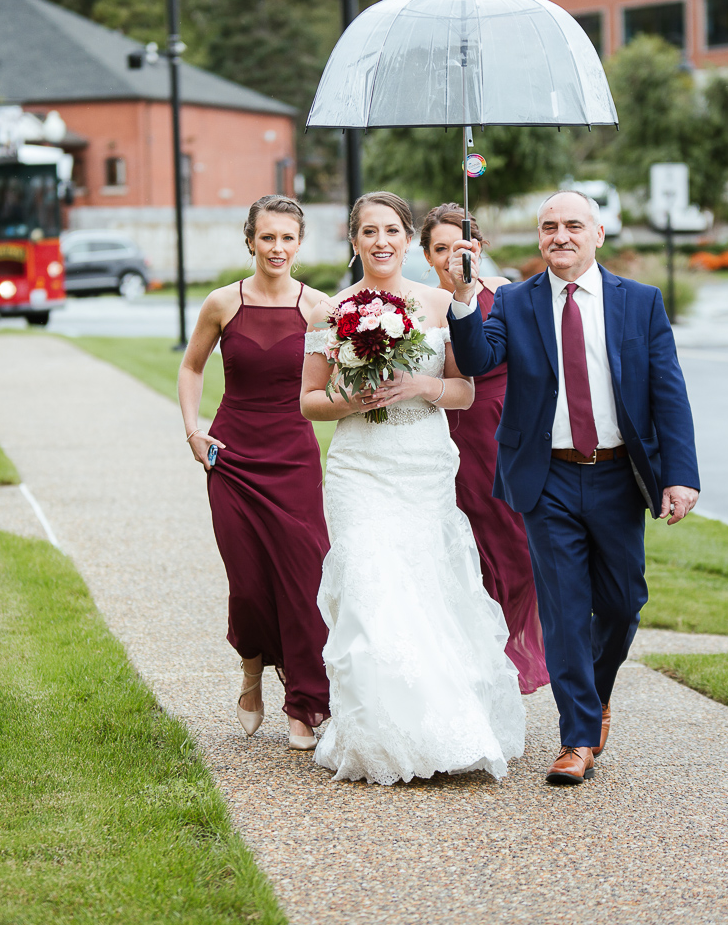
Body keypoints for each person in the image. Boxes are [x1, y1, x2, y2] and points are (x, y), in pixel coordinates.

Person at [447, 189, 700, 787]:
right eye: (549, 227)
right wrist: (463, 297)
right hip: (547, 475)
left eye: (573, 226)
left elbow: (669, 391)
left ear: (598, 234)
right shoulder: (513, 300)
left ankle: (595, 690)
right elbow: (479, 361)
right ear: (538, 238)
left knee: (620, 603)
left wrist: (681, 475)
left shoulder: (640, 303)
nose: (560, 236)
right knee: (562, 610)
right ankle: (577, 738)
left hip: (617, 475)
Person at [300, 191, 524, 785]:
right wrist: (354, 398)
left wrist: (416, 388)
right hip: (359, 467)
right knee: (370, 578)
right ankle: (376, 732)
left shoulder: (438, 303)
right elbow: (309, 401)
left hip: (422, 461)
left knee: (427, 585)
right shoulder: (330, 311)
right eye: (368, 232)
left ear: (407, 240)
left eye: (392, 231)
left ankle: (442, 723)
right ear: (353, 241)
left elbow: (465, 392)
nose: (381, 242)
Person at [178, 195, 332, 751]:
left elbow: (334, 385)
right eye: (267, 237)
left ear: (300, 243)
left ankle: (302, 701)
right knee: (247, 584)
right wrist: (194, 429)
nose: (277, 248)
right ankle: (251, 669)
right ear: (250, 241)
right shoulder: (222, 303)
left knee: (302, 578)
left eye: (287, 238)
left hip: (293, 455)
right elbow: (192, 365)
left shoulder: (319, 308)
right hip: (233, 454)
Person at [422, 204, 549, 694]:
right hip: (443, 430)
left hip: (500, 427)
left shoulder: (509, 295)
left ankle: (515, 644)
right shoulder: (423, 304)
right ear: (428, 256)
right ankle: (473, 650)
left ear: (478, 246)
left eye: (460, 245)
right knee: (463, 544)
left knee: (514, 544)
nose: (451, 255)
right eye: (439, 248)